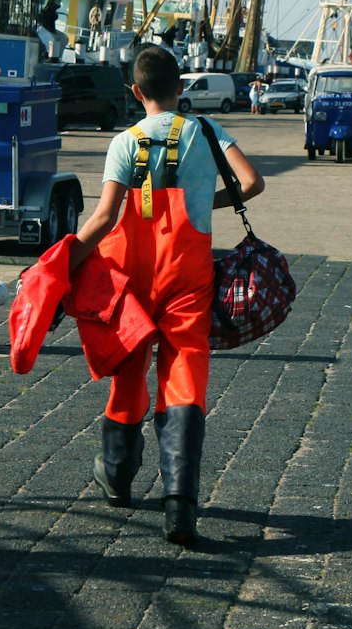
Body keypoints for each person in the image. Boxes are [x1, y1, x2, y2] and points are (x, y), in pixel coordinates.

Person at [69, 45, 264, 546]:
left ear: (136, 93)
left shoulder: (124, 143)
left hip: (129, 277)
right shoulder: (208, 132)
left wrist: (61, 264)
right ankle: (180, 504)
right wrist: (205, 201)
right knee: (185, 372)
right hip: (187, 274)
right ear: (182, 88)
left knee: (129, 370)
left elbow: (104, 219)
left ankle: (115, 475)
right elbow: (252, 182)